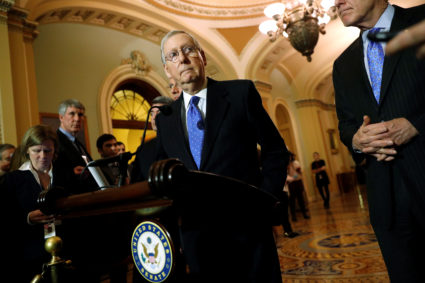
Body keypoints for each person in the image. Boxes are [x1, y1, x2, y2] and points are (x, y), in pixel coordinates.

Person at [155, 30, 289, 282]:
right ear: (167, 70)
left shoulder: (240, 94)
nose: (182, 59)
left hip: (247, 230)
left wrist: (264, 201)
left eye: (188, 50)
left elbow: (275, 150)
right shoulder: (165, 119)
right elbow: (165, 180)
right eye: (173, 55)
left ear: (202, 57)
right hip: (198, 239)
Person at [333, 1, 425, 282]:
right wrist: (358, 140)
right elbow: (346, 125)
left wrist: (417, 125)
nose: (337, 2)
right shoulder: (343, 63)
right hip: (386, 201)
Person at [2, 125, 61, 282]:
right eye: (36, 150)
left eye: (47, 150)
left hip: (65, 252)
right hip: (28, 257)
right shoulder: (12, 180)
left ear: (54, 150)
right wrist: (27, 218)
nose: (42, 156)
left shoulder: (65, 175)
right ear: (27, 150)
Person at [54, 99, 97, 194]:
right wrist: (72, 173)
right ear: (61, 117)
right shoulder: (55, 141)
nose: (77, 119)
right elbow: (52, 174)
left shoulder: (77, 143)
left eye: (80, 115)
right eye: (72, 114)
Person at [131, 95, 174, 183]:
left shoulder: (182, 142)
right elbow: (135, 183)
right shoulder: (143, 149)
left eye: (158, 113)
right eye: (152, 114)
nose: (154, 118)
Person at [287, 152, 310, 221]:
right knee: (292, 200)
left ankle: (304, 214)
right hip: (291, 184)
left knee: (301, 199)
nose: (289, 158)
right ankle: (293, 216)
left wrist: (293, 177)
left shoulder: (296, 163)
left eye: (290, 156)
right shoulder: (286, 164)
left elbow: (300, 172)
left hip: (298, 182)